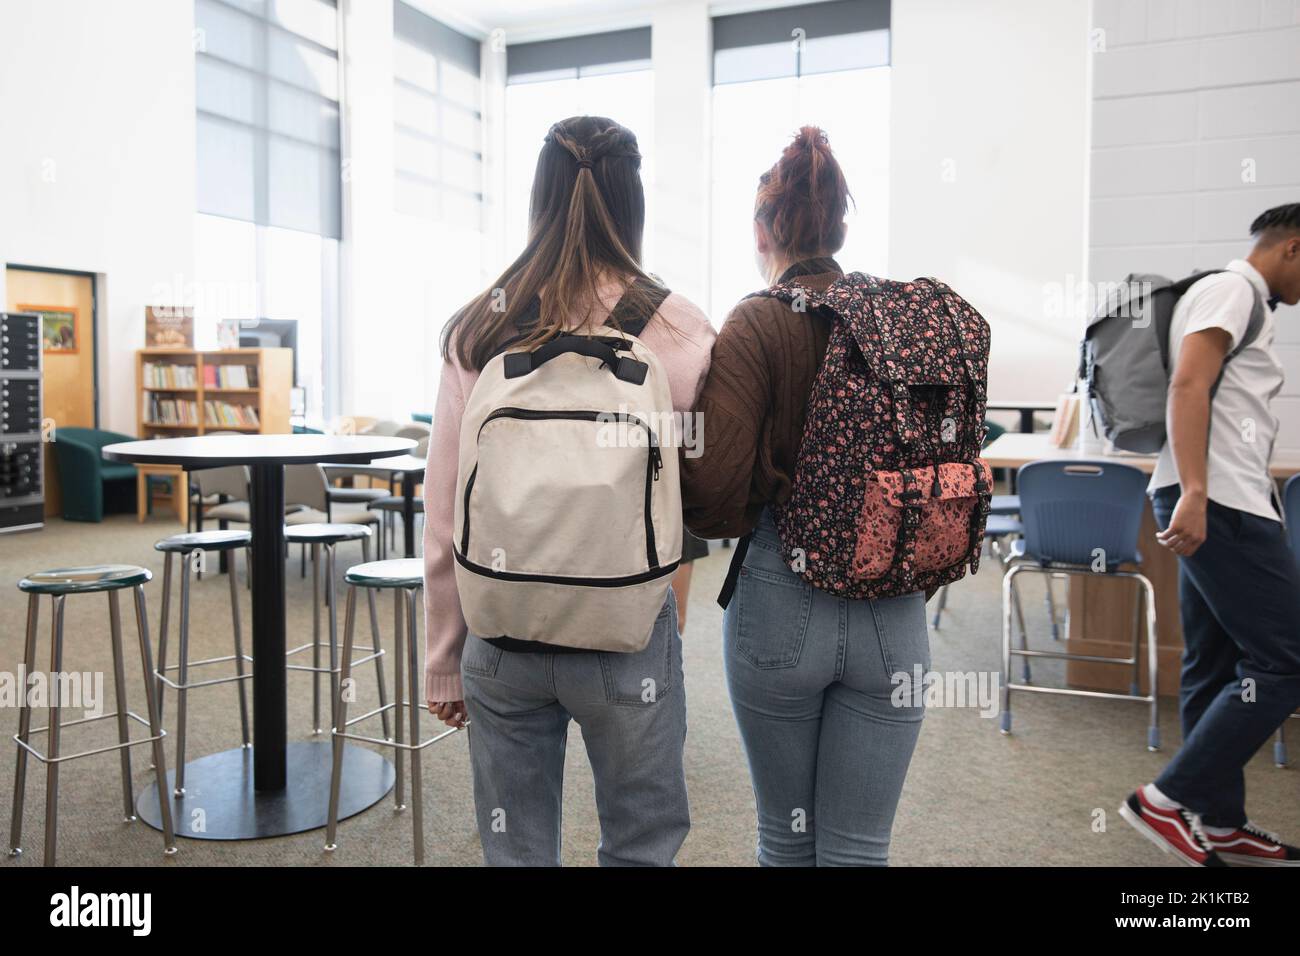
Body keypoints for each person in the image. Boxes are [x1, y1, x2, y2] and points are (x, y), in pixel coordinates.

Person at [422, 116, 715, 866]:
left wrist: (443, 656)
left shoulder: (478, 327)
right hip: (626, 634)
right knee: (641, 841)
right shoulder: (677, 330)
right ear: (635, 203)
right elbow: (701, 491)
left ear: (538, 197)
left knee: (514, 849)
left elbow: (446, 505)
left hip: (501, 627)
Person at [682, 127, 935, 866]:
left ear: (761, 230)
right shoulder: (897, 321)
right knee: (860, 850)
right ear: (842, 230)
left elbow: (715, 495)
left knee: (785, 841)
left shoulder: (759, 319)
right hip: (896, 604)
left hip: (780, 601)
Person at [1121, 202, 1300, 867]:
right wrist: (1195, 492)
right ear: (1292, 249)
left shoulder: (1233, 296)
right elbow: (1189, 385)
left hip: (1218, 495)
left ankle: (1219, 822)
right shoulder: (1231, 290)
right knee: (1286, 659)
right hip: (1220, 502)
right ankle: (1166, 799)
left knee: (1214, 664)